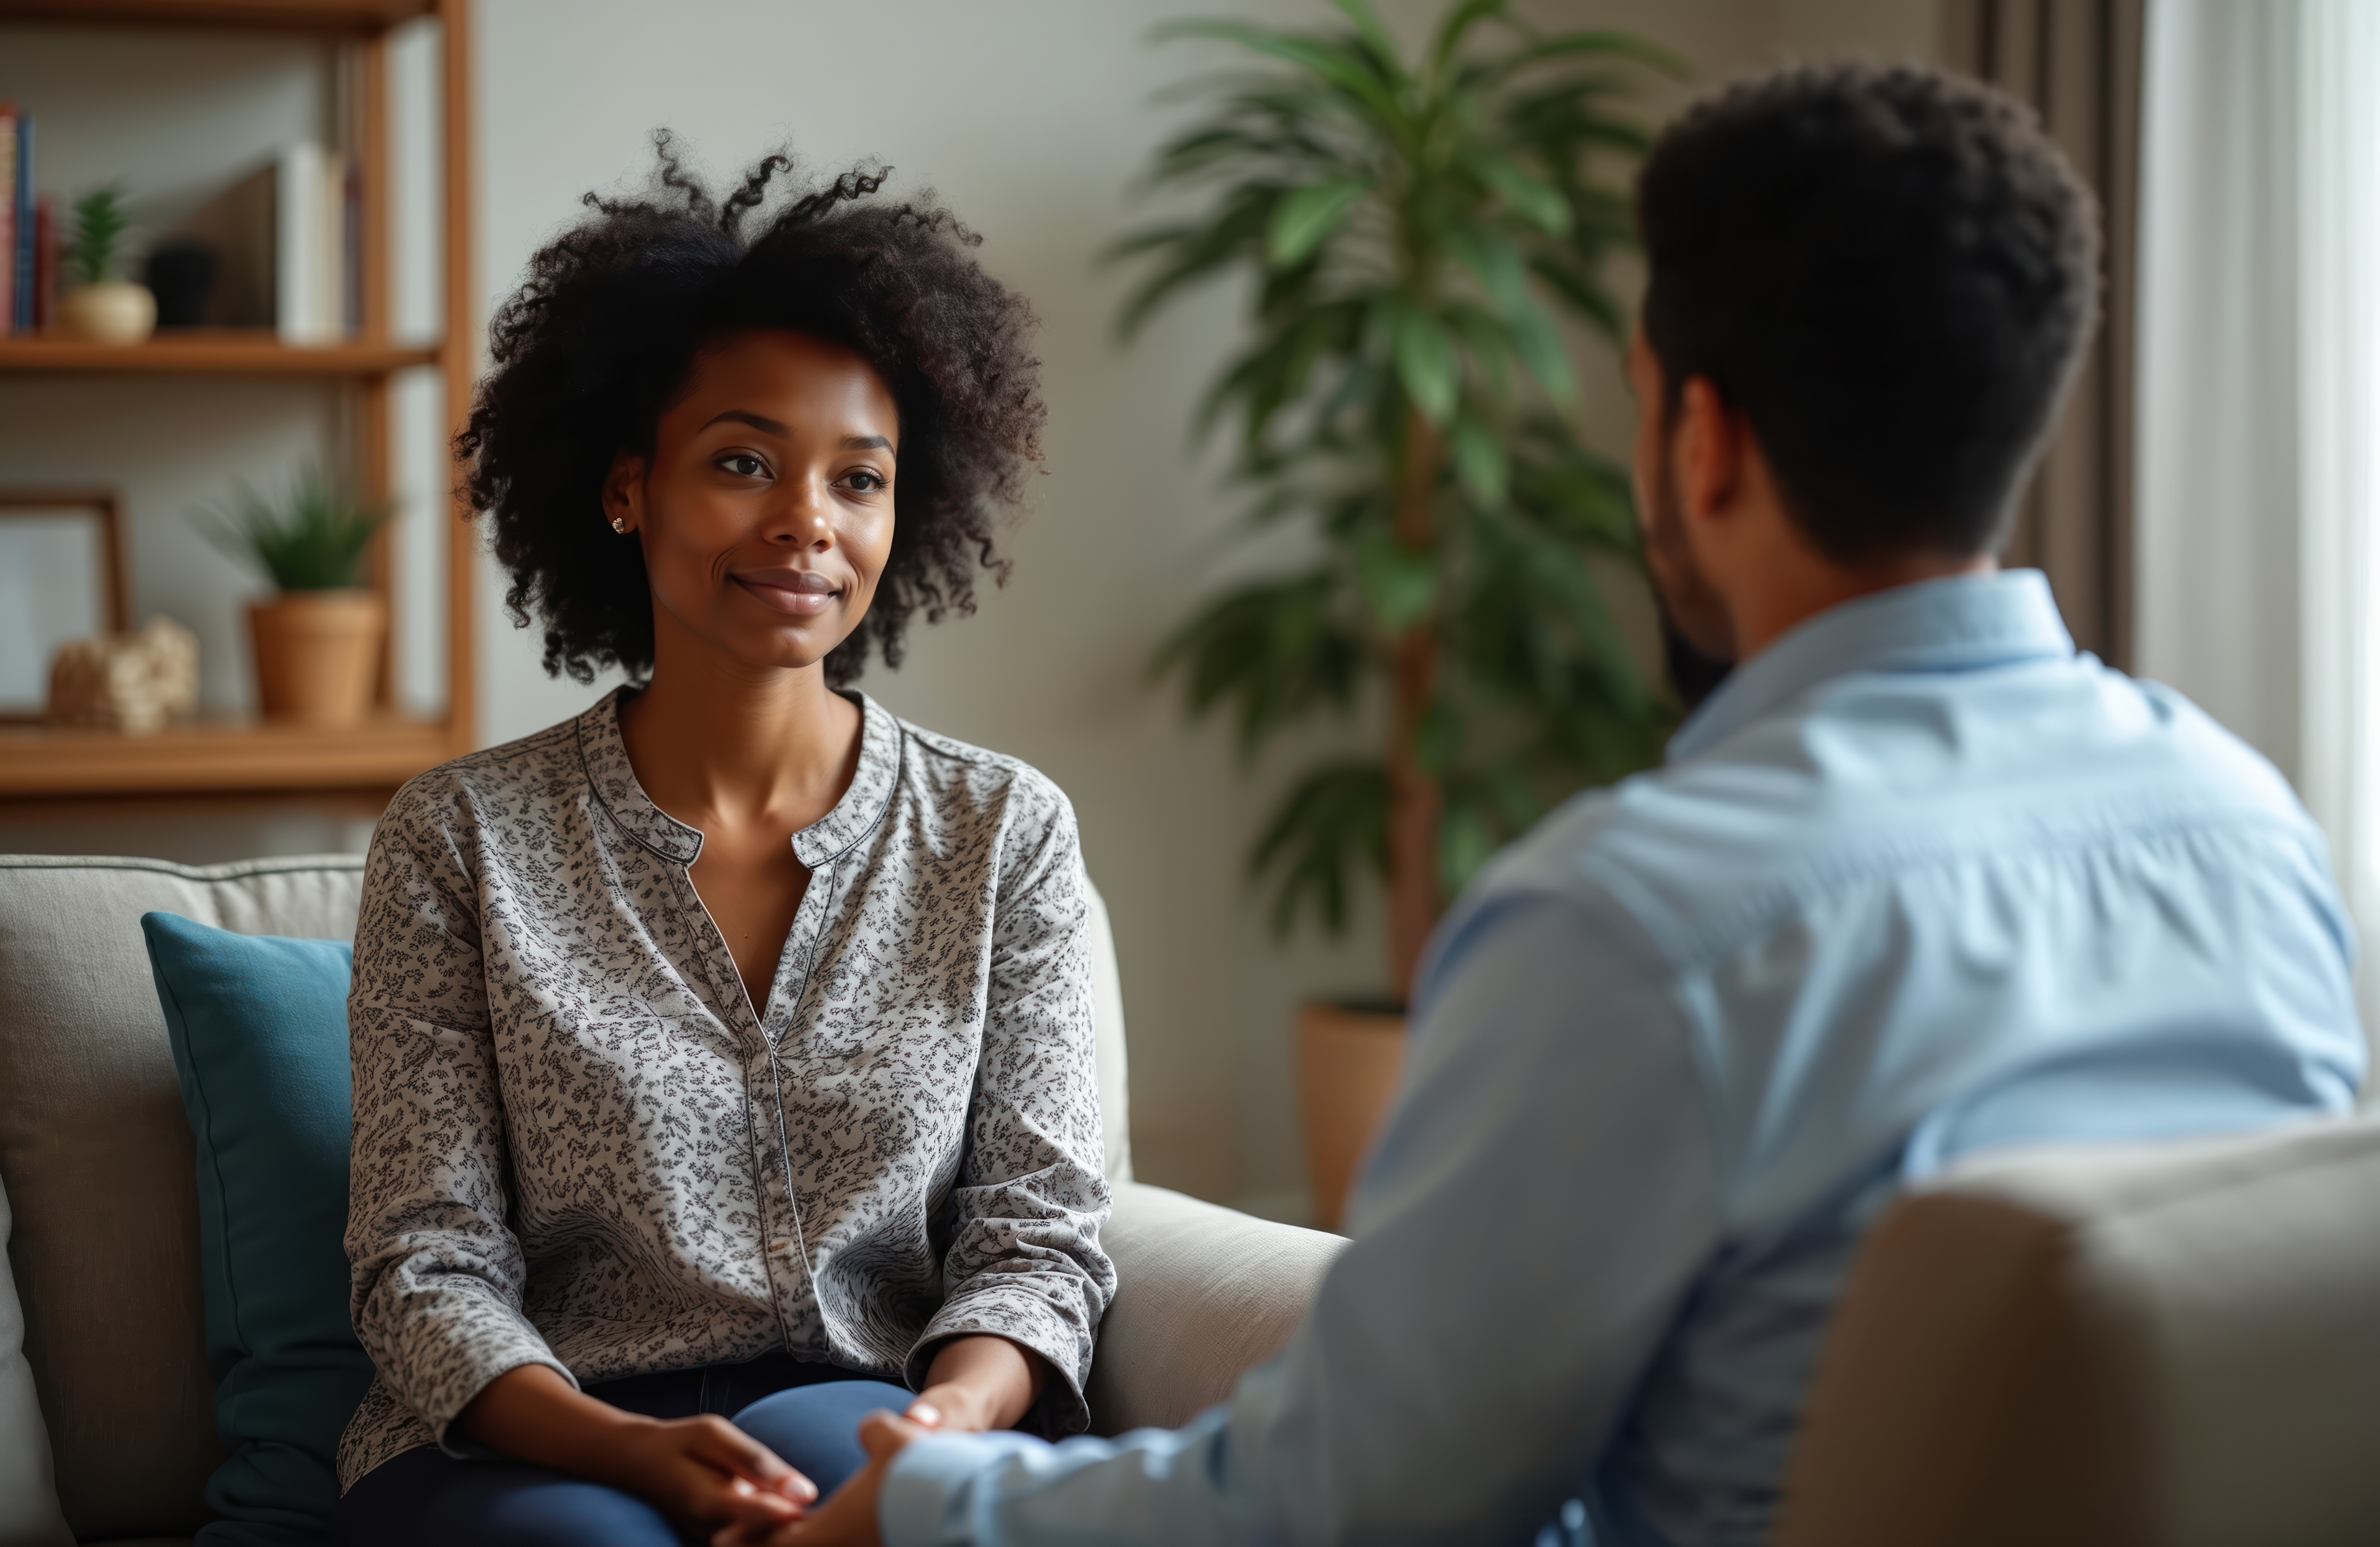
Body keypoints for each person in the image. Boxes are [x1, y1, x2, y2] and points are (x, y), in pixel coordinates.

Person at [731, 62, 2370, 1547]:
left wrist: (928, 1503)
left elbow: (1346, 1506)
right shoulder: (2252, 828)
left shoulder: (1640, 923)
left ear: (1701, 441)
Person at [331, 143, 1114, 1547]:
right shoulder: (460, 838)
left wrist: (938, 1431)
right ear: (627, 486)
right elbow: (420, 1259)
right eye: (743, 462)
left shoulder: (1002, 833)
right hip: (537, 1430)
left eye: (858, 479)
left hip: (872, 1399)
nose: (806, 520)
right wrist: (628, 1448)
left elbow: (1036, 1235)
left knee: (851, 1492)